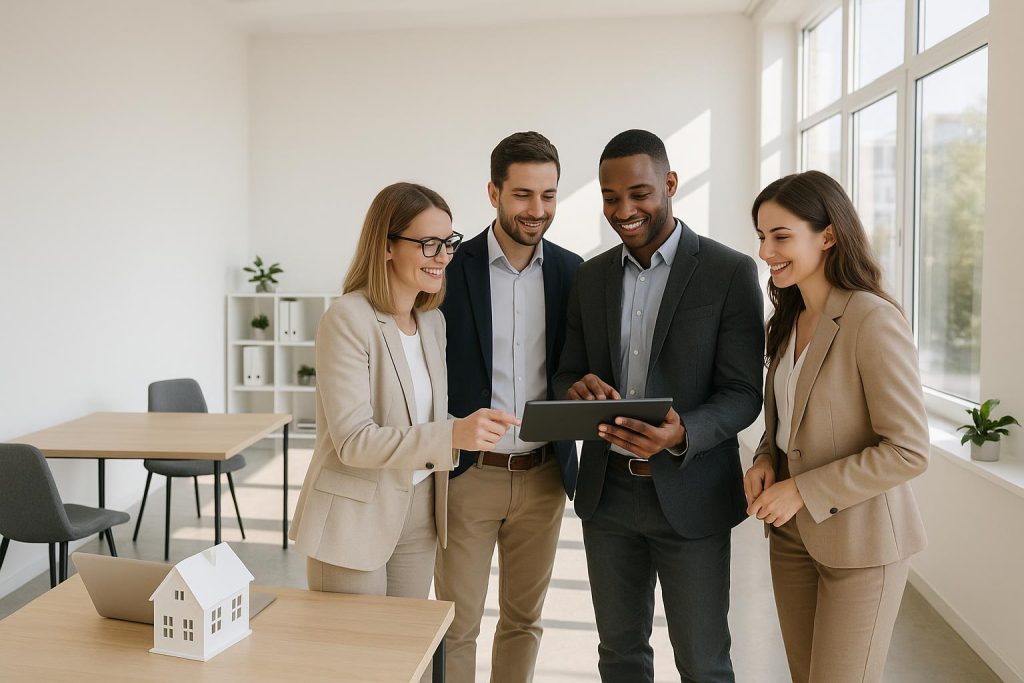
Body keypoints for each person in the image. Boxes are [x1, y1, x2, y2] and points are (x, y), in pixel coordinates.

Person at [552, 129, 764, 683]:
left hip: (691, 493)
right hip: (608, 498)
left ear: (670, 184)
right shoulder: (591, 276)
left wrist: (682, 433)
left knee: (703, 661)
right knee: (619, 656)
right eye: (610, 197)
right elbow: (567, 372)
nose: (624, 210)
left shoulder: (729, 271)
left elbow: (744, 393)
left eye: (640, 193)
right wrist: (578, 388)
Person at [289, 182, 519, 606]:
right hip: (355, 516)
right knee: (358, 664)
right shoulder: (347, 320)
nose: (444, 258)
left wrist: (468, 428)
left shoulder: (432, 323)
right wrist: (453, 435)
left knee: (404, 659)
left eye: (448, 243)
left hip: (420, 509)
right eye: (429, 244)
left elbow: (420, 422)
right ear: (387, 246)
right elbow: (354, 441)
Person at [743, 170, 929, 683]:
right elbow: (787, 419)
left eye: (781, 237)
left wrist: (802, 489)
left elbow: (909, 449)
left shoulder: (872, 319)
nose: (766, 251)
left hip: (863, 545)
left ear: (828, 235)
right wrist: (764, 459)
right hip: (791, 538)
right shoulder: (787, 318)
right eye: (761, 236)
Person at [434, 131, 582, 682]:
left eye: (548, 195)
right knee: (457, 624)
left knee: (524, 620)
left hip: (544, 477)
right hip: (469, 475)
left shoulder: (574, 273)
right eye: (523, 195)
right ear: (493, 192)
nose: (537, 210)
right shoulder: (449, 268)